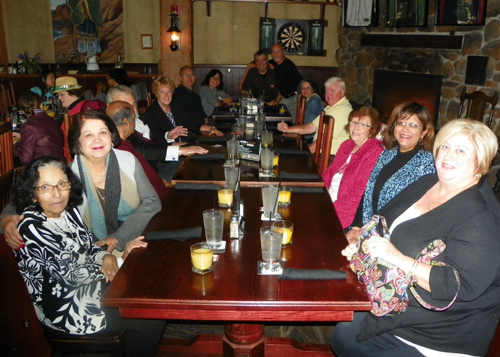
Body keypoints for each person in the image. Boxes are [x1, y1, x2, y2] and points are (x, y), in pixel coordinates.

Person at [332, 119, 500, 356]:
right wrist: (363, 244)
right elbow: (384, 220)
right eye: (445, 146)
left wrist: (399, 258)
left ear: (481, 160)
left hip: (440, 332)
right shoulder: (429, 182)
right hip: (396, 301)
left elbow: (461, 286)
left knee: (349, 336)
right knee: (344, 335)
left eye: (461, 150)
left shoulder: (481, 215)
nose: (448, 156)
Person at [13, 157, 165, 357]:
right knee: (151, 318)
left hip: (92, 288)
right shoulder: (32, 227)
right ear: (32, 194)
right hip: (66, 307)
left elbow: (88, 247)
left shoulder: (68, 211)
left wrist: (105, 257)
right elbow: (74, 275)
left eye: (62, 184)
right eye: (45, 188)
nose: (57, 194)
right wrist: (120, 259)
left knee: (146, 290)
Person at [346, 102, 436, 241]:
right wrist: (356, 226)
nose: (405, 130)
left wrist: (365, 234)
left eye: (413, 125)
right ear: (394, 127)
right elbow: (367, 194)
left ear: (424, 132)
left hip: (389, 238)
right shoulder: (387, 155)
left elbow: (404, 212)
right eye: (401, 123)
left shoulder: (426, 165)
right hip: (364, 228)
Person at [322, 107, 383, 229]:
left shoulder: (374, 152)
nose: (356, 128)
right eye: (354, 122)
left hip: (345, 215)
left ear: (372, 130)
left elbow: (358, 194)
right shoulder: (347, 145)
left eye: (363, 125)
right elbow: (329, 173)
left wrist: (329, 211)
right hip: (327, 201)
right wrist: (318, 195)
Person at [277, 77, 352, 155]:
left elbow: (323, 141)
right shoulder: (332, 107)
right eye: (326, 91)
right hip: (320, 153)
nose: (328, 94)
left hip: (330, 158)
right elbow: (311, 127)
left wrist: (303, 154)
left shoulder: (341, 110)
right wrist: (287, 129)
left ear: (342, 92)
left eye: (332, 91)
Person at [143, 76, 221, 145]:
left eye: (169, 91)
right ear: (156, 93)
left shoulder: (175, 106)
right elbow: (157, 137)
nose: (166, 95)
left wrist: (212, 128)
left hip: (185, 144)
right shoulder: (151, 112)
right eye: (162, 91)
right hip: (169, 152)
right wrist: (169, 135)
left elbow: (193, 124)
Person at [13, 91, 64, 165]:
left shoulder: (28, 126)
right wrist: (23, 138)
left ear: (22, 111)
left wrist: (15, 143)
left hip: (42, 168)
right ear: (41, 105)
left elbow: (25, 159)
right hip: (59, 164)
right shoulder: (52, 120)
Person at [172, 66, 223, 136]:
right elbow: (186, 121)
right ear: (180, 78)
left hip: (201, 128)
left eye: (192, 75)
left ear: (195, 78)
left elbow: (203, 116)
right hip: (188, 133)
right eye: (186, 75)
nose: (190, 77)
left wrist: (206, 123)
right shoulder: (177, 95)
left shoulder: (196, 96)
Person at [269, 43, 303, 122]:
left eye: (278, 52)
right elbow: (260, 62)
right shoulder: (273, 62)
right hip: (282, 97)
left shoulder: (289, 66)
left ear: (283, 52)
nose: (275, 54)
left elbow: (287, 87)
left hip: (291, 98)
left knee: (290, 122)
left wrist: (277, 100)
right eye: (273, 52)